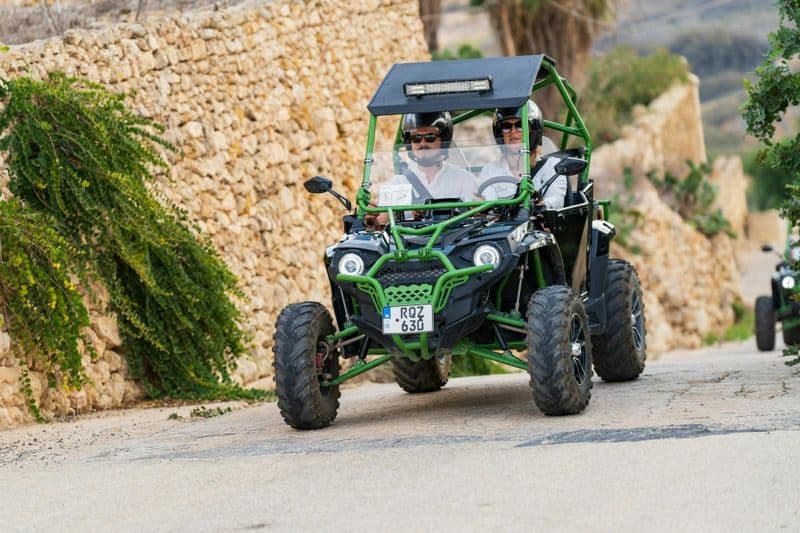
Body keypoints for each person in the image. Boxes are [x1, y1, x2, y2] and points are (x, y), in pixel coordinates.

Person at [372, 112, 476, 226]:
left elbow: (479, 219)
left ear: (444, 140)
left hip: (456, 241)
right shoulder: (398, 183)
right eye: (416, 138)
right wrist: (371, 220)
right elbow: (379, 226)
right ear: (409, 142)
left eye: (430, 137)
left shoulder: (464, 179)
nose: (423, 143)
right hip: (409, 242)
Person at [478, 100, 567, 209]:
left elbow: (556, 201)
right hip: (503, 225)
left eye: (520, 125)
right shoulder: (490, 171)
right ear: (500, 133)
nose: (513, 132)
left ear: (532, 130)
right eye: (506, 126)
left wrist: (537, 203)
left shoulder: (552, 167)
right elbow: (487, 205)